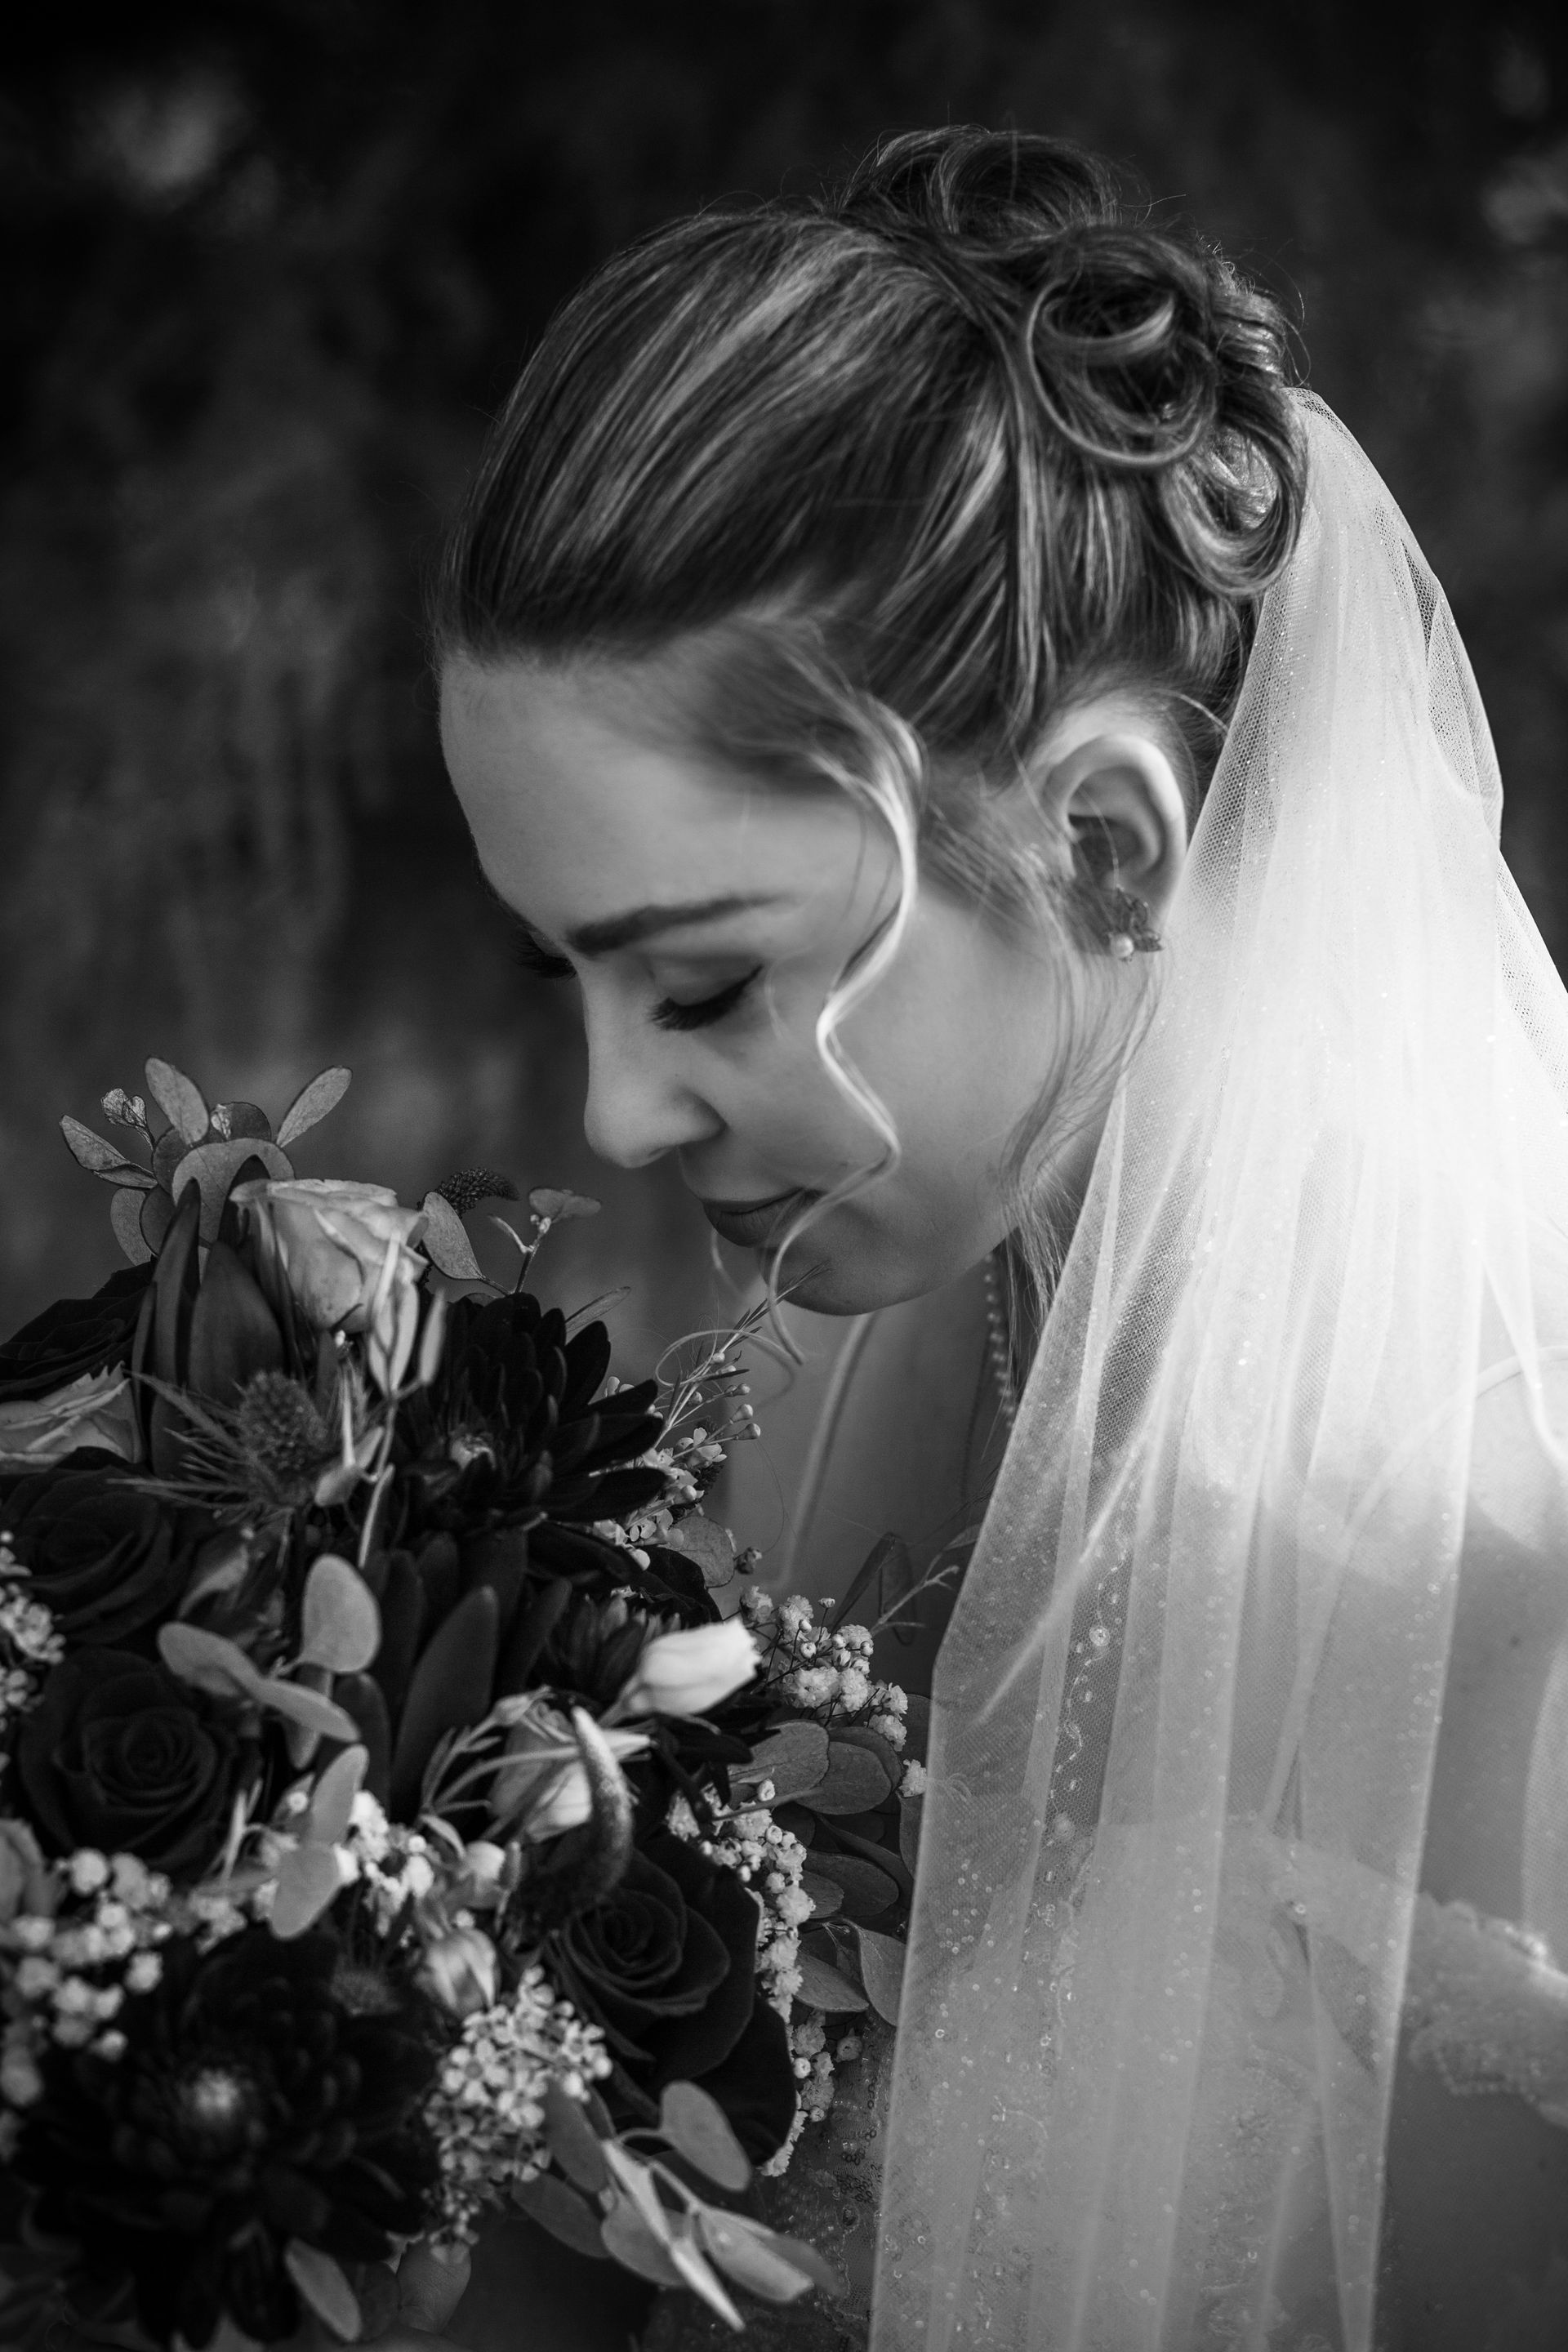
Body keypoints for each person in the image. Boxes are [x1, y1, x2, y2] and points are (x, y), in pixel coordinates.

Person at [432, 126, 1568, 2351]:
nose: (611, 1110)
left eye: (707, 980)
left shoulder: (1500, 1555)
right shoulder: (795, 1392)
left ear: (1106, 848)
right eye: (552, 975)